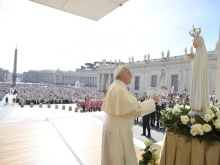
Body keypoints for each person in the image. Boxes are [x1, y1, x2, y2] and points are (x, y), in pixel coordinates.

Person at [101, 65, 159, 165]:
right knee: (120, 158)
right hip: (119, 132)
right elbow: (135, 110)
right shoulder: (119, 90)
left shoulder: (115, 86)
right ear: (122, 75)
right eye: (129, 73)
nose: (131, 75)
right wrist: (152, 102)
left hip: (114, 128)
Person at [189, 27, 210, 114]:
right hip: (197, 75)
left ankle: (198, 105)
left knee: (199, 86)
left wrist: (193, 58)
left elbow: (199, 64)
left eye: (194, 42)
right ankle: (195, 105)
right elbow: (196, 62)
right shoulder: (199, 52)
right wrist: (193, 59)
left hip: (199, 76)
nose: (193, 44)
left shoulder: (201, 51)